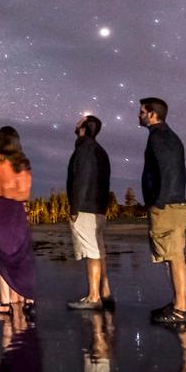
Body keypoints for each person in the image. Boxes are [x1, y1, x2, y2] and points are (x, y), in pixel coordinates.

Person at [139, 97, 186, 327]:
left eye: (142, 111)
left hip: (168, 206)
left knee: (175, 257)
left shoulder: (159, 137)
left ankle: (181, 309)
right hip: (173, 203)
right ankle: (177, 303)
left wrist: (158, 203)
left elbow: (168, 171)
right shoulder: (168, 137)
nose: (139, 115)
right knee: (174, 256)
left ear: (153, 114)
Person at [0, 125, 37, 314]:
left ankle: (5, 303)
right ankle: (25, 298)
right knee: (21, 256)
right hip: (19, 211)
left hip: (2, 210)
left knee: (1, 256)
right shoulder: (24, 162)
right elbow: (25, 194)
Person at [66, 113, 116, 311]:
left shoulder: (85, 149)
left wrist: (74, 207)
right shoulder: (100, 151)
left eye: (79, 122)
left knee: (92, 252)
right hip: (98, 207)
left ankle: (93, 297)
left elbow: (82, 179)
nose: (76, 123)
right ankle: (104, 291)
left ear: (84, 129)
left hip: (86, 208)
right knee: (98, 249)